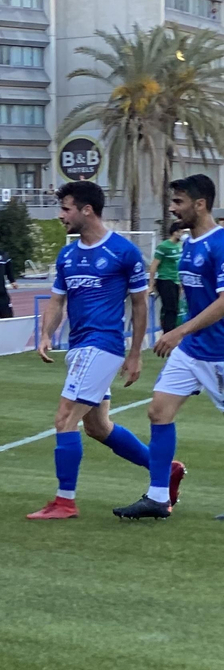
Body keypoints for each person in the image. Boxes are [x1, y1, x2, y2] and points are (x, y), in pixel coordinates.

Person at [27, 181, 165, 520]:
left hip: (102, 346)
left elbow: (139, 304)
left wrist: (135, 353)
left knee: (64, 419)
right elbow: (58, 300)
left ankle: (65, 502)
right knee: (98, 427)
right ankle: (164, 470)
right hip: (79, 348)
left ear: (87, 210)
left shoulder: (123, 252)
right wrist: (45, 334)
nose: (61, 216)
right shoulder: (69, 255)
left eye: (66, 209)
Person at [115, 174, 222, 519]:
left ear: (200, 204)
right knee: (159, 411)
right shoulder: (188, 244)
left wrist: (177, 331)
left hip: (220, 352)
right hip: (192, 351)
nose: (173, 208)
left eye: (179, 202)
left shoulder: (220, 243)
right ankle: (159, 498)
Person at [152, 221, 185, 334]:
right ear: (175, 233)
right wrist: (151, 285)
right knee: (170, 309)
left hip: (175, 281)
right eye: (181, 232)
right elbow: (154, 266)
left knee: (174, 309)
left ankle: (170, 333)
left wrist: (180, 283)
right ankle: (168, 334)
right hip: (165, 280)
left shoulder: (179, 246)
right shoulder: (164, 246)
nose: (182, 235)